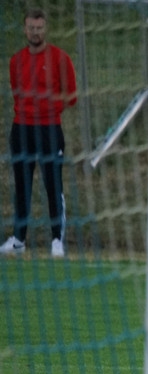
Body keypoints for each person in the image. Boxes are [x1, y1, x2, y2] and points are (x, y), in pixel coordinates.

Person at [1, 8, 77, 258]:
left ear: (46, 29)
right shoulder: (16, 60)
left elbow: (71, 95)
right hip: (21, 129)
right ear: (25, 29)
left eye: (39, 28)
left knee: (53, 185)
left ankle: (57, 240)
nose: (35, 32)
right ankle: (18, 240)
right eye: (31, 28)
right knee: (22, 185)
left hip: (49, 130)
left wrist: (48, 109)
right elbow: (16, 92)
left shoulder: (60, 58)